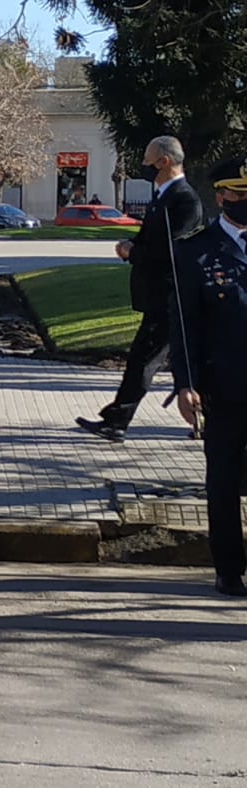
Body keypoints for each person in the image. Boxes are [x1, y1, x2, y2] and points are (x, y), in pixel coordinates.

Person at [76, 136, 204, 442]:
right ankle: (203, 421)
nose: (143, 166)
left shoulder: (184, 200)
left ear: (164, 161)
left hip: (171, 296)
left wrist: (133, 252)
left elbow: (172, 249)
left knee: (147, 360)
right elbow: (151, 237)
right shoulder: (162, 196)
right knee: (161, 362)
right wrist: (132, 244)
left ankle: (117, 421)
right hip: (158, 296)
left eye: (148, 160)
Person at [170, 156, 247, 596]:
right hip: (224, 387)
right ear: (220, 197)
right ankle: (229, 567)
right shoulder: (196, 251)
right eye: (240, 194)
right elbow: (185, 325)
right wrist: (185, 384)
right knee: (223, 481)